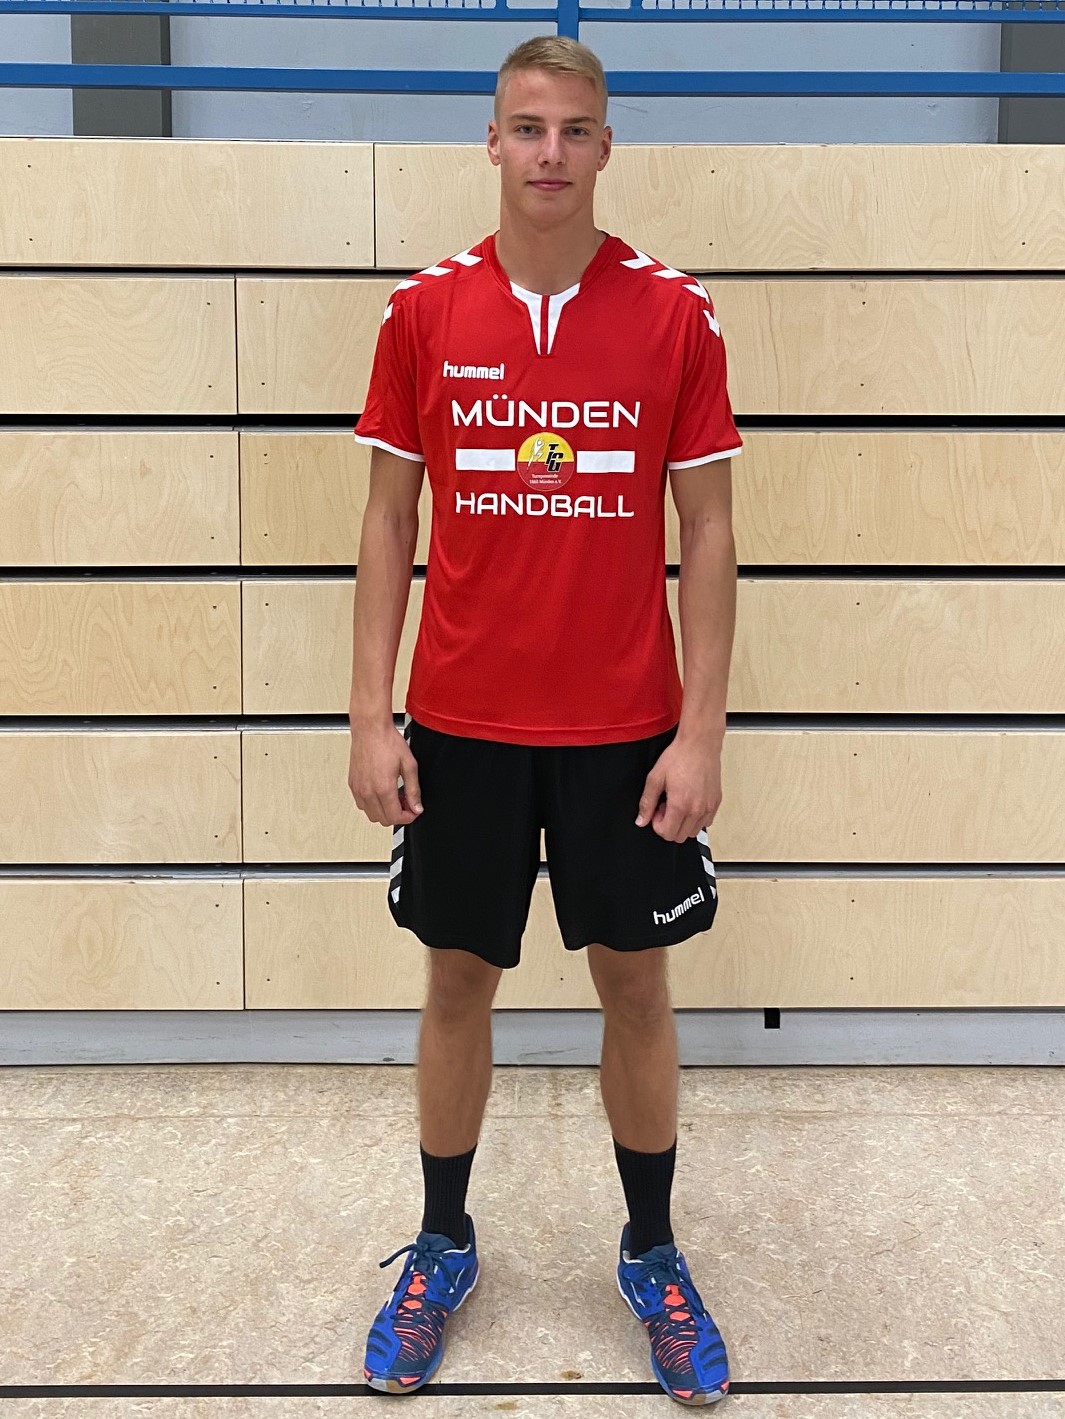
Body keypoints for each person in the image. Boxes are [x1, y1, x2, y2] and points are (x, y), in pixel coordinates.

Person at [347, 34, 742, 1407]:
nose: (550, 153)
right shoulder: (423, 312)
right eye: (527, 127)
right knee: (458, 980)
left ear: (606, 146)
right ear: (492, 141)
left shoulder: (675, 315)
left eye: (574, 129)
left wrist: (699, 733)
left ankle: (652, 1253)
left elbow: (708, 532)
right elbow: (388, 521)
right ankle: (441, 1245)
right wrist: (371, 716)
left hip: (624, 733)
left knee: (634, 986)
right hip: (460, 726)